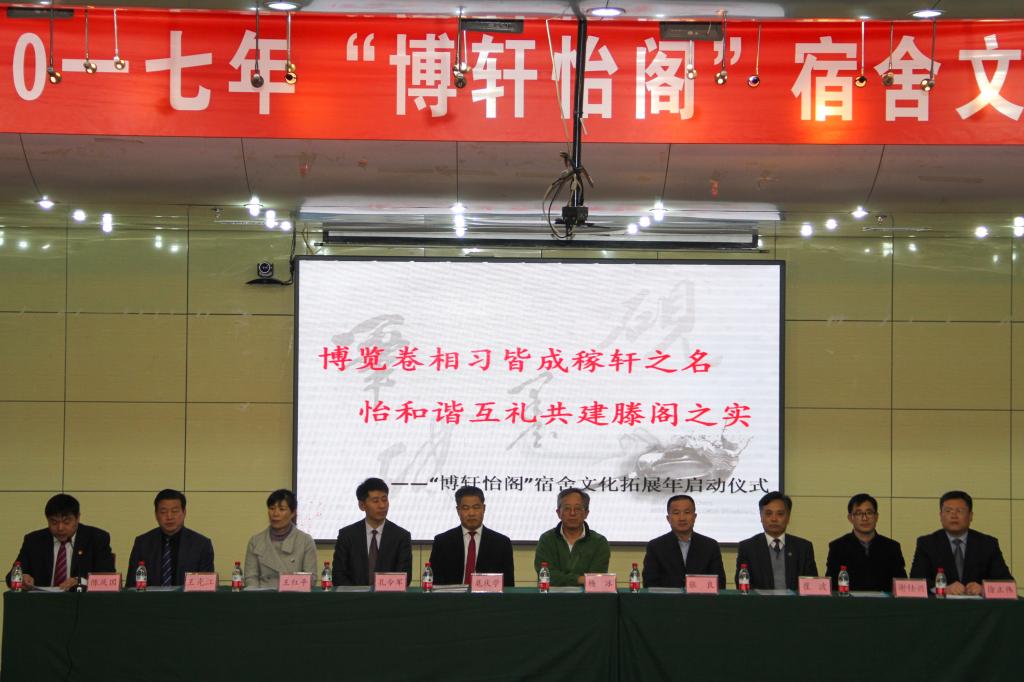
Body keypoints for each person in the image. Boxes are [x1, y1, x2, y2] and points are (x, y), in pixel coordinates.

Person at [909, 490, 1012, 595]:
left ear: (970, 516)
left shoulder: (987, 544)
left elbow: (1006, 582)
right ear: (940, 515)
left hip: (978, 604)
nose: (954, 515)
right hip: (941, 604)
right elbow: (916, 581)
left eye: (960, 511)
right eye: (948, 511)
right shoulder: (927, 544)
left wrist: (984, 589)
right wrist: (943, 589)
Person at [5, 493, 115, 590]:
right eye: (54, 522)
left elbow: (109, 579)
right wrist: (21, 578)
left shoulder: (96, 538)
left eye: (66, 522)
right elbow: (11, 577)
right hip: (42, 603)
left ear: (77, 518)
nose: (60, 528)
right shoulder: (34, 541)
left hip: (83, 602)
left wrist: (81, 581)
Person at [429, 485, 515, 586]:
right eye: (465, 508)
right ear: (458, 510)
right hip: (452, 595)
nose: (471, 513)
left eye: (476, 507)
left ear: (484, 509)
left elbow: (508, 585)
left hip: (488, 596)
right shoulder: (442, 542)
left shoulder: (501, 543)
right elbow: (434, 582)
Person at [126, 489, 214, 587]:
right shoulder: (142, 544)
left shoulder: (201, 545)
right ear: (156, 514)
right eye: (163, 512)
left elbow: (206, 588)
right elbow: (131, 586)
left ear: (184, 512)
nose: (169, 516)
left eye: (174, 511)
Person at [332, 478, 412, 586]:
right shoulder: (347, 535)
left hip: (389, 595)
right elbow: (338, 575)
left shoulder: (401, 536)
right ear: (362, 505)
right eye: (375, 501)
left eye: (384, 500)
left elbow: (404, 577)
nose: (382, 506)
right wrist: (358, 594)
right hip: (353, 596)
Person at [735, 491, 817, 590]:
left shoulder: (803, 548)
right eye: (768, 514)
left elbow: (812, 586)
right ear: (761, 517)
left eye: (780, 514)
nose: (774, 519)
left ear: (788, 517)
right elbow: (743, 585)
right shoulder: (747, 548)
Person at [825, 493, 906, 591]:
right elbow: (832, 588)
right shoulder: (837, 547)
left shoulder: (892, 548)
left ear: (876, 517)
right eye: (859, 513)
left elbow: (902, 587)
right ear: (850, 518)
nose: (865, 518)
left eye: (869, 513)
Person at [642, 494, 726, 589]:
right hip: (667, 598)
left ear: (694, 517)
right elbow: (650, 583)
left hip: (701, 598)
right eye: (676, 513)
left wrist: (692, 588)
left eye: (687, 512)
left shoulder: (710, 546)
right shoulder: (655, 547)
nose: (682, 518)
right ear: (668, 519)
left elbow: (719, 583)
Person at [534, 488, 610, 587]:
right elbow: (545, 576)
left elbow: (594, 580)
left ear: (586, 513)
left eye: (577, 508)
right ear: (558, 513)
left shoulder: (599, 542)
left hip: (586, 597)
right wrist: (579, 579)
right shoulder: (547, 539)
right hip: (552, 596)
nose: (572, 513)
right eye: (567, 508)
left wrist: (564, 579)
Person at [244, 489, 319, 589]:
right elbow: (250, 578)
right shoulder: (255, 541)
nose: (275, 514)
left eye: (282, 509)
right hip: (262, 595)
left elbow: (311, 579)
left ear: (293, 513)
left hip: (295, 596)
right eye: (272, 508)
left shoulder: (305, 541)